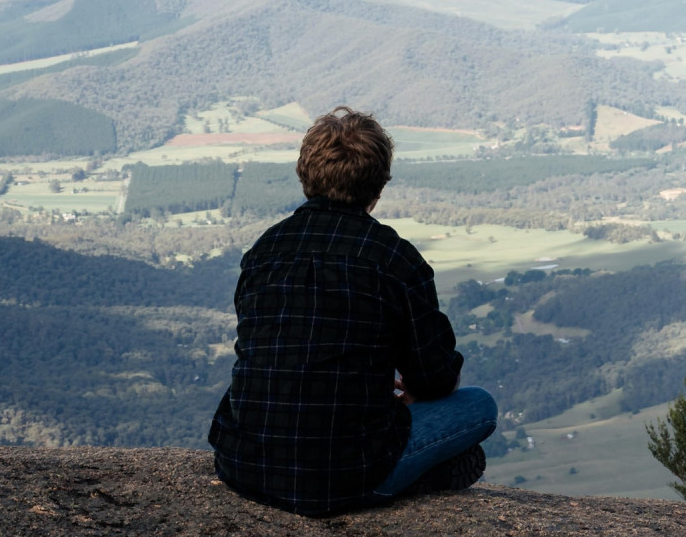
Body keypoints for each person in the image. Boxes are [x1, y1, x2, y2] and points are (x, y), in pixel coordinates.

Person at [208, 106, 498, 516]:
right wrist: (409, 396)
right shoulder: (394, 258)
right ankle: (418, 478)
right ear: (377, 188)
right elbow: (437, 377)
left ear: (305, 176)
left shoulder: (264, 251)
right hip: (346, 476)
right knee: (480, 406)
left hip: (243, 466)